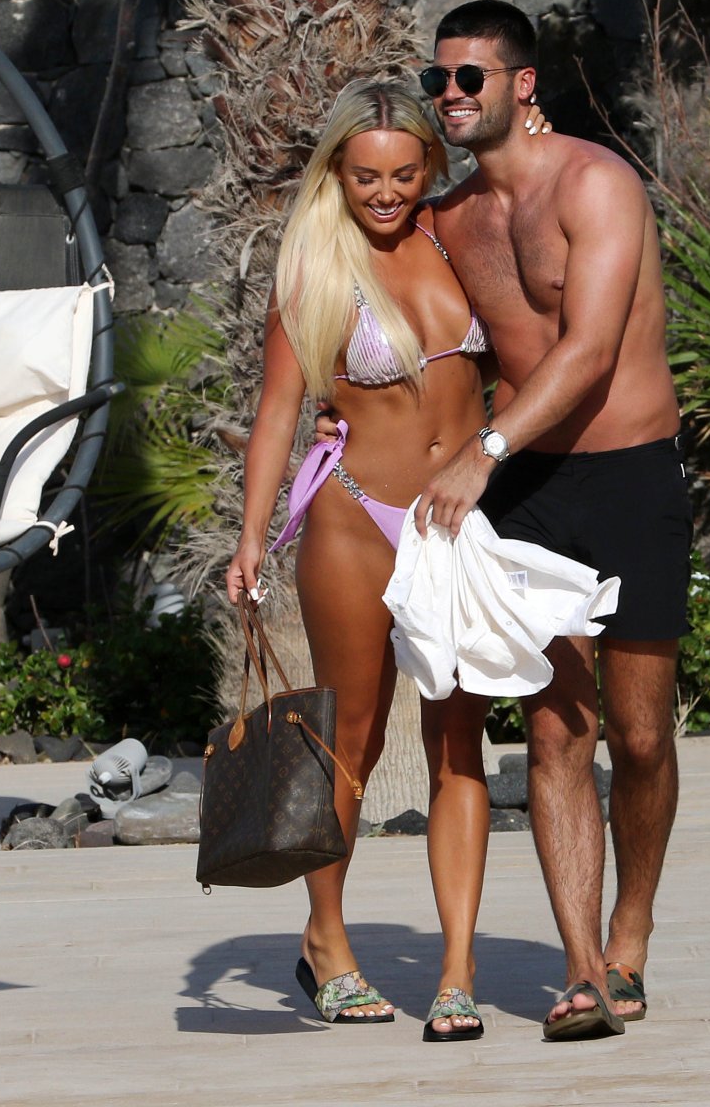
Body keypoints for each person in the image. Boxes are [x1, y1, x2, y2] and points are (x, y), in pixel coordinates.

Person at [414, 1, 691, 1041]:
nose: (450, 95)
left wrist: (479, 450)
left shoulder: (596, 184)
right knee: (555, 729)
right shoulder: (449, 217)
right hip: (530, 488)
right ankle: (583, 971)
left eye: (470, 78)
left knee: (642, 736)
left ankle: (631, 927)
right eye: (439, 78)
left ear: (522, 84)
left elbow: (588, 349)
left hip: (629, 475)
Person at [225, 77, 517, 1042]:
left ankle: (457, 972)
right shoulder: (317, 268)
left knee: (458, 742)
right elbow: (278, 409)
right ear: (337, 175)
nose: (385, 193)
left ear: (430, 164)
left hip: (455, 524)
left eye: (402, 173)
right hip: (355, 519)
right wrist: (250, 537)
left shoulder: (459, 240)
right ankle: (328, 941)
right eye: (364, 177)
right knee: (349, 741)